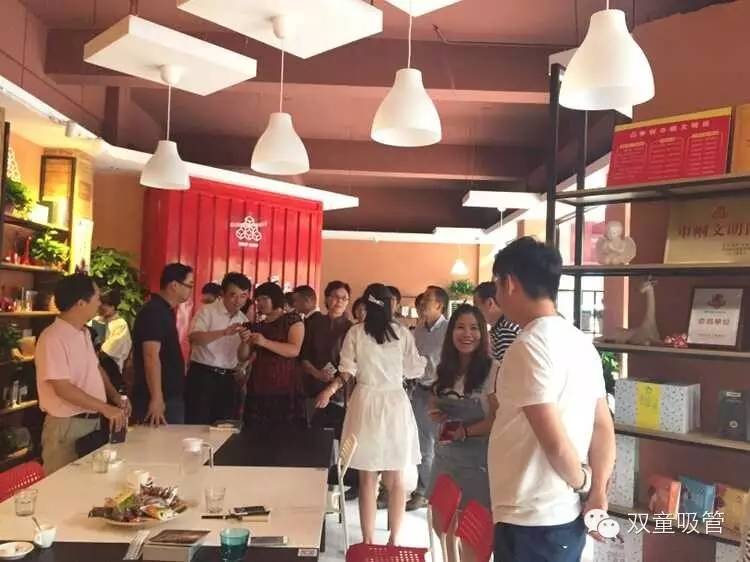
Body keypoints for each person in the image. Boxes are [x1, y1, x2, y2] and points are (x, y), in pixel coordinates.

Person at [489, 237, 616, 562]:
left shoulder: (529, 346)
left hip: (532, 518)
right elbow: (603, 425)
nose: (497, 296)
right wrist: (598, 491)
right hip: (559, 518)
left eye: (496, 285)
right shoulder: (580, 343)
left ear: (509, 283)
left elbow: (555, 443)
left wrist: (585, 483)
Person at [315, 283, 426, 546]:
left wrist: (330, 390)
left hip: (365, 403)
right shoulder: (402, 333)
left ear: (365, 305)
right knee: (396, 478)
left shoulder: (355, 332)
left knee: (367, 478)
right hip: (395, 403)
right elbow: (414, 370)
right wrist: (424, 362)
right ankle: (394, 540)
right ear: (390, 306)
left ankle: (367, 541)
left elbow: (346, 370)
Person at [35, 273, 127, 473]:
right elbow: (62, 388)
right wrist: (104, 407)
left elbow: (96, 368)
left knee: (89, 483)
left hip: (91, 422)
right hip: (67, 426)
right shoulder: (53, 337)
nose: (100, 303)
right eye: (97, 298)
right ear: (80, 303)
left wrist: (115, 397)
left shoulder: (84, 333)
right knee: (63, 485)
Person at [300, 280, 357, 497]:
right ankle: (314, 486)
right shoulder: (313, 324)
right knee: (315, 438)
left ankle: (335, 487)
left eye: (344, 298)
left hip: (341, 391)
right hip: (313, 387)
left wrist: (332, 385)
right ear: (326, 298)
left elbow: (352, 365)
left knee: (341, 439)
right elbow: (303, 356)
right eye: (335, 297)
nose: (339, 302)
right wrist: (316, 373)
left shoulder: (351, 329)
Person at [186, 272, 252, 424]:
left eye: (243, 296)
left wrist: (245, 342)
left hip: (228, 379)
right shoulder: (207, 311)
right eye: (233, 295)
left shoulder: (243, 320)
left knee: (223, 426)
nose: (238, 301)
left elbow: (242, 357)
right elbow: (194, 338)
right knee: (197, 424)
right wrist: (224, 332)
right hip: (203, 375)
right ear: (223, 294)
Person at [132, 263, 194, 426]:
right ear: (174, 285)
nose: (191, 290)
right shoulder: (155, 312)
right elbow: (151, 356)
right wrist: (157, 398)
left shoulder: (165, 310)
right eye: (189, 285)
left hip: (170, 395)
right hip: (160, 398)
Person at [407, 285, 450, 511]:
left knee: (442, 445)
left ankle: (443, 495)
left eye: (427, 300)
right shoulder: (419, 329)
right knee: (423, 446)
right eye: (422, 299)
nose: (422, 303)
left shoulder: (449, 329)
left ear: (439, 305)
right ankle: (423, 491)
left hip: (440, 394)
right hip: (420, 391)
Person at [243, 282, 305, 425]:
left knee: (283, 429)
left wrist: (265, 342)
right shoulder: (258, 326)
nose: (260, 303)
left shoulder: (292, 320)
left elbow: (294, 350)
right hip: (259, 385)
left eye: (265, 298)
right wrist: (244, 340)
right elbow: (243, 356)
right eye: (258, 300)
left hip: (285, 385)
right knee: (255, 430)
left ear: (276, 298)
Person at [95, 290, 132, 394]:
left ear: (114, 306)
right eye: (102, 303)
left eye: (107, 305)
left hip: (112, 369)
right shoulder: (95, 320)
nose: (103, 307)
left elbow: (109, 350)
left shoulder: (120, 324)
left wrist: (96, 352)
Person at [473, 281, 520, 363]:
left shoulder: (506, 330)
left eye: (476, 306)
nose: (474, 312)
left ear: (489, 303)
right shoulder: (499, 327)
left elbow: (505, 368)